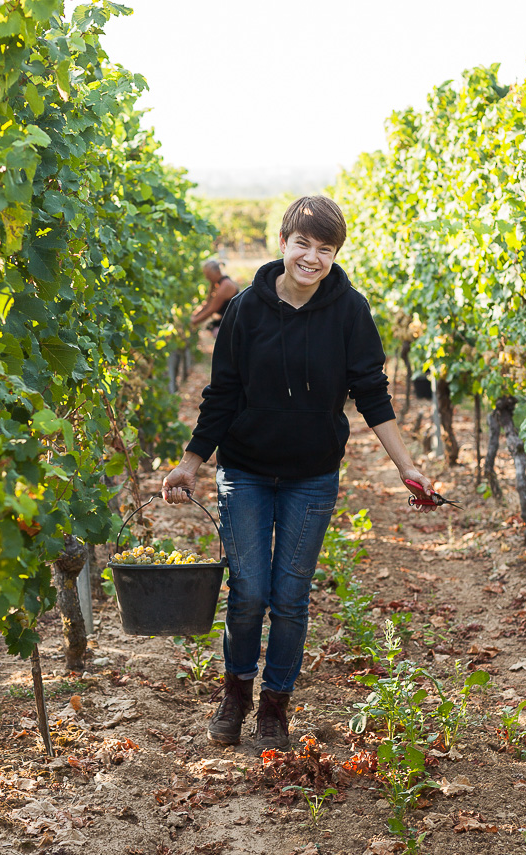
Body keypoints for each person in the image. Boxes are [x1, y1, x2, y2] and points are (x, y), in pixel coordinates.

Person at [162, 195, 435, 753]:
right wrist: (190, 463)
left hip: (312, 477)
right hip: (245, 471)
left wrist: (407, 466)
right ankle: (235, 693)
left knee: (289, 597)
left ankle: (274, 706)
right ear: (283, 242)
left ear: (335, 254)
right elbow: (222, 394)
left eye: (325, 249)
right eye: (303, 244)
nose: (312, 258)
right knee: (248, 593)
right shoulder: (244, 308)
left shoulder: (350, 311)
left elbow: (372, 394)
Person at [189, 259, 240, 334]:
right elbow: (207, 303)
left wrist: (193, 321)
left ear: (218, 272)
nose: (207, 278)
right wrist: (194, 315)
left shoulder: (225, 286)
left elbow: (211, 310)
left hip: (234, 323)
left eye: (209, 276)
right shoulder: (217, 283)